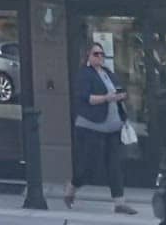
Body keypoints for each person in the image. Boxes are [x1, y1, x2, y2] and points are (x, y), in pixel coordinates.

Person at [67, 42, 138, 215]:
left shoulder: (108, 74)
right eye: (96, 54)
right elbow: (86, 98)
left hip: (112, 127)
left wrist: (121, 97)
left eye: (101, 54)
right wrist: (107, 98)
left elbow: (117, 93)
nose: (100, 57)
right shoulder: (84, 75)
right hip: (92, 127)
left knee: (114, 165)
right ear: (88, 57)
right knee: (88, 166)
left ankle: (119, 203)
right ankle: (72, 188)